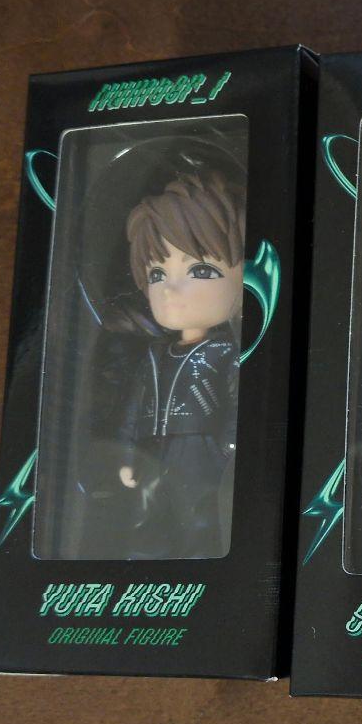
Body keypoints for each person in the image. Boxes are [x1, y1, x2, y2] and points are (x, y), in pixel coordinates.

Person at [117, 169, 245, 559]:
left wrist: (227, 449)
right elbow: (133, 409)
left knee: (198, 521)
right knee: (148, 519)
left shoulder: (226, 352)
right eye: (157, 274)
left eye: (201, 271)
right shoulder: (156, 355)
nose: (170, 290)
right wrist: (126, 454)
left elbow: (238, 406)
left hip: (201, 451)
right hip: (154, 449)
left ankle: (200, 567)